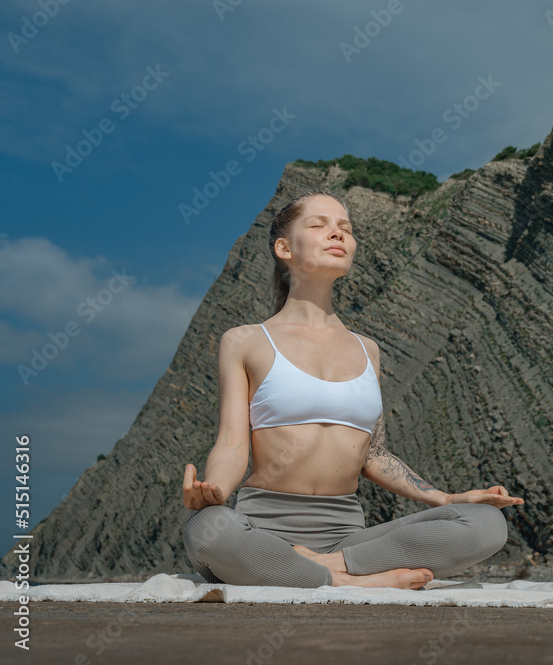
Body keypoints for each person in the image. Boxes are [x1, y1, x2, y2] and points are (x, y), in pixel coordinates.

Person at [181, 188, 524, 590]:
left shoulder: (368, 350)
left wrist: (447, 499)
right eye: (319, 225)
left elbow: (374, 455)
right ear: (283, 248)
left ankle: (323, 568)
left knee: (486, 524)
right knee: (208, 528)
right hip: (263, 529)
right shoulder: (244, 341)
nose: (337, 234)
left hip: (348, 537)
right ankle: (352, 583)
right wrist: (216, 490)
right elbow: (232, 442)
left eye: (345, 227)